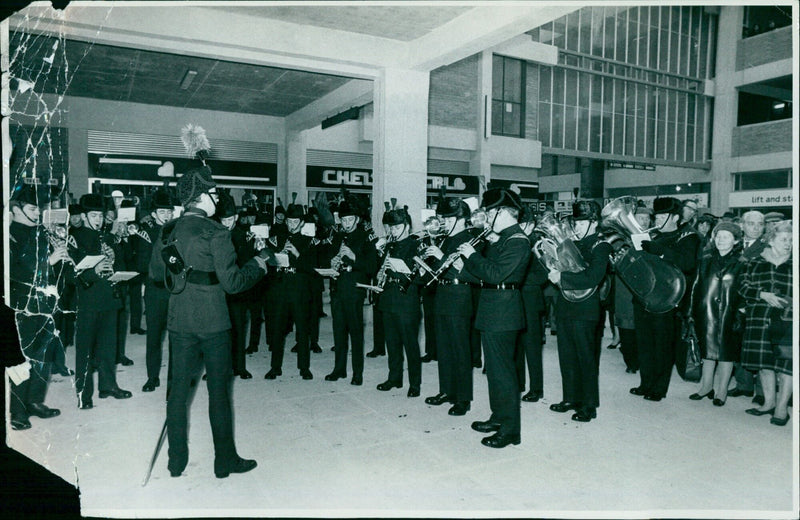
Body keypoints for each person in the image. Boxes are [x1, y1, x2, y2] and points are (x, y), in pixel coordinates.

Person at [160, 166, 269, 478]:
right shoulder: (217, 233)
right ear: (201, 197)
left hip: (179, 321)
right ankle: (224, 462)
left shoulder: (169, 230)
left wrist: (181, 270)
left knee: (177, 393)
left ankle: (176, 462)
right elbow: (233, 283)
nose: (217, 198)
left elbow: (158, 274)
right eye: (215, 193)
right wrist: (258, 264)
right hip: (213, 323)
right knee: (219, 393)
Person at [457, 188, 530, 448]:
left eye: (489, 213)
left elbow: (496, 274)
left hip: (503, 312)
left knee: (504, 374)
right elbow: (484, 274)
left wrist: (472, 255)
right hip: (493, 310)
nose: (486, 218)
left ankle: (511, 431)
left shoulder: (518, 240)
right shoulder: (501, 239)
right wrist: (464, 266)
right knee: (496, 372)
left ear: (503, 212)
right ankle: (499, 417)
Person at [547, 200, 612, 422]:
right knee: (566, 356)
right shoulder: (573, 243)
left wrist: (562, 278)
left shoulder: (601, 246)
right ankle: (570, 398)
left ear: (594, 223)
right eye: (576, 222)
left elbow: (594, 277)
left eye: (582, 222)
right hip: (566, 305)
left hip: (586, 309)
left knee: (586, 358)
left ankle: (588, 405)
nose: (577, 226)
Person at [631, 197, 700, 402]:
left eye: (661, 215)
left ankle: (659, 387)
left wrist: (660, 251)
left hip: (667, 300)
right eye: (657, 215)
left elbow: (687, 264)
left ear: (676, 217)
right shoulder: (652, 235)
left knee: (661, 344)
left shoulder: (688, 237)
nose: (657, 219)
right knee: (644, 342)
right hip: (644, 297)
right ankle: (646, 383)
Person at [8, 184, 64, 430]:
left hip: (45, 303)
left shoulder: (40, 232)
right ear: (16, 209)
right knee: (22, 360)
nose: (38, 213)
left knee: (44, 356)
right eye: (33, 208)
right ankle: (17, 411)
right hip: (22, 305)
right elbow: (15, 271)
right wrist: (48, 261)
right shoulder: (9, 234)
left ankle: (35, 401)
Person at [69, 194, 132, 409]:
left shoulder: (107, 237)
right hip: (87, 302)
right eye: (94, 215)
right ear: (84, 216)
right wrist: (93, 273)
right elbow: (70, 274)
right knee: (84, 351)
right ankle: (83, 394)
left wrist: (120, 275)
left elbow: (121, 261)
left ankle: (108, 386)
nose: (98, 220)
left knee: (108, 348)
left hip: (110, 299)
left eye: (101, 216)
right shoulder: (74, 238)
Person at [422, 196, 479, 415]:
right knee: (444, 347)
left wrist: (441, 255)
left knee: (460, 348)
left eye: (448, 217)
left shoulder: (471, 239)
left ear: (461, 218)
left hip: (460, 294)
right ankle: (446, 390)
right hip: (443, 294)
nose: (443, 221)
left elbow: (471, 271)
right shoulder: (446, 239)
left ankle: (463, 398)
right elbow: (440, 267)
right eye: (443, 217)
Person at [740, 220, 793, 426]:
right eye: (783, 239)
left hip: (788, 318)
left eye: (791, 239)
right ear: (771, 240)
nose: (788, 243)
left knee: (787, 364)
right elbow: (742, 287)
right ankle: (768, 403)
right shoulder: (755, 261)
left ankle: (781, 408)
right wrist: (762, 294)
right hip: (759, 317)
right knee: (764, 363)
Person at [688, 222, 746, 406]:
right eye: (718, 236)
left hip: (730, 315)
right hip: (707, 314)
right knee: (707, 352)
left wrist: (741, 314)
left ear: (735, 241)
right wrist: (690, 312)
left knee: (726, 354)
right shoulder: (705, 260)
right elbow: (695, 287)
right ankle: (706, 387)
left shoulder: (742, 263)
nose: (721, 240)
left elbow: (745, 292)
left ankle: (721, 391)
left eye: (726, 236)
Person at [324, 199, 378, 385]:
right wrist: (332, 262)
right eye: (343, 220)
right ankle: (339, 369)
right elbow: (328, 256)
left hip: (354, 290)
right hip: (338, 289)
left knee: (356, 333)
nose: (346, 224)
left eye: (349, 220)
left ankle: (357, 373)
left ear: (357, 220)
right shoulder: (337, 237)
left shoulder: (366, 237)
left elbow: (372, 267)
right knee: (338, 332)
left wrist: (354, 257)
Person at [263, 203, 320, 381]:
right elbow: (267, 260)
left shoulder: (309, 240)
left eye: (295, 221)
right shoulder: (278, 238)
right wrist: (275, 257)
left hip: (300, 291)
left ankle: (304, 367)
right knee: (277, 329)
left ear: (302, 223)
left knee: (302, 330)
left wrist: (296, 253)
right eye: (289, 221)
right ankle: (275, 367)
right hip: (281, 290)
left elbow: (313, 268)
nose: (292, 224)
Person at [374, 207, 422, 397]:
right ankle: (394, 378)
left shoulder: (415, 245)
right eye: (390, 228)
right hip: (388, 298)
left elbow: (419, 275)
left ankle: (415, 383)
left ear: (407, 226)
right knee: (392, 343)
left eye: (396, 227)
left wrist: (398, 270)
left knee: (410, 344)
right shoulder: (389, 245)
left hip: (406, 300)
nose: (392, 231)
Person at [217, 193, 255, 380]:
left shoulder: (244, 236)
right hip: (219, 292)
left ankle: (240, 367)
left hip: (238, 291)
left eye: (230, 219)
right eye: (223, 220)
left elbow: (248, 264)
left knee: (239, 330)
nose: (226, 223)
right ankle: (218, 369)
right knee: (219, 333)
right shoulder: (214, 236)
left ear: (236, 218)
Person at [141, 190, 175, 392]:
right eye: (162, 212)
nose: (167, 216)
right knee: (153, 336)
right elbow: (141, 263)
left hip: (174, 290)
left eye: (169, 212)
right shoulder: (147, 233)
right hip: (154, 291)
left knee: (176, 337)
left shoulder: (178, 232)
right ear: (153, 214)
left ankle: (175, 377)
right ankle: (152, 377)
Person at [730, 209, 766, 401]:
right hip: (732, 302)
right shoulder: (733, 244)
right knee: (737, 345)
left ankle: (762, 392)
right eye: (751, 223)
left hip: (754, 303)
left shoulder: (767, 248)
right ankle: (743, 385)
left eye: (760, 224)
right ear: (742, 226)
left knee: (760, 348)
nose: (756, 228)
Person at [517, 206, 549, 403]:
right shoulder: (515, 243)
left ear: (530, 225)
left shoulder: (539, 244)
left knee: (532, 348)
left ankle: (537, 389)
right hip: (515, 300)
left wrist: (519, 277)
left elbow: (543, 274)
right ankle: (519, 382)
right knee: (517, 345)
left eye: (522, 224)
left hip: (531, 301)